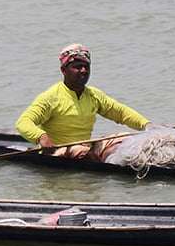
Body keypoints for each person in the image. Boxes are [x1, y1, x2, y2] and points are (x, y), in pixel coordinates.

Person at [15, 43, 153, 161]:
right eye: (78, 67)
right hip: (59, 150)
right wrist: (41, 137)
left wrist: (147, 125)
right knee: (83, 153)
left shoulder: (93, 95)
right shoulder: (51, 97)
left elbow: (120, 112)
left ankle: (104, 161)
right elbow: (23, 122)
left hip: (86, 146)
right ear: (64, 70)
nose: (83, 71)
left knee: (127, 141)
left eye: (86, 67)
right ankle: (100, 165)